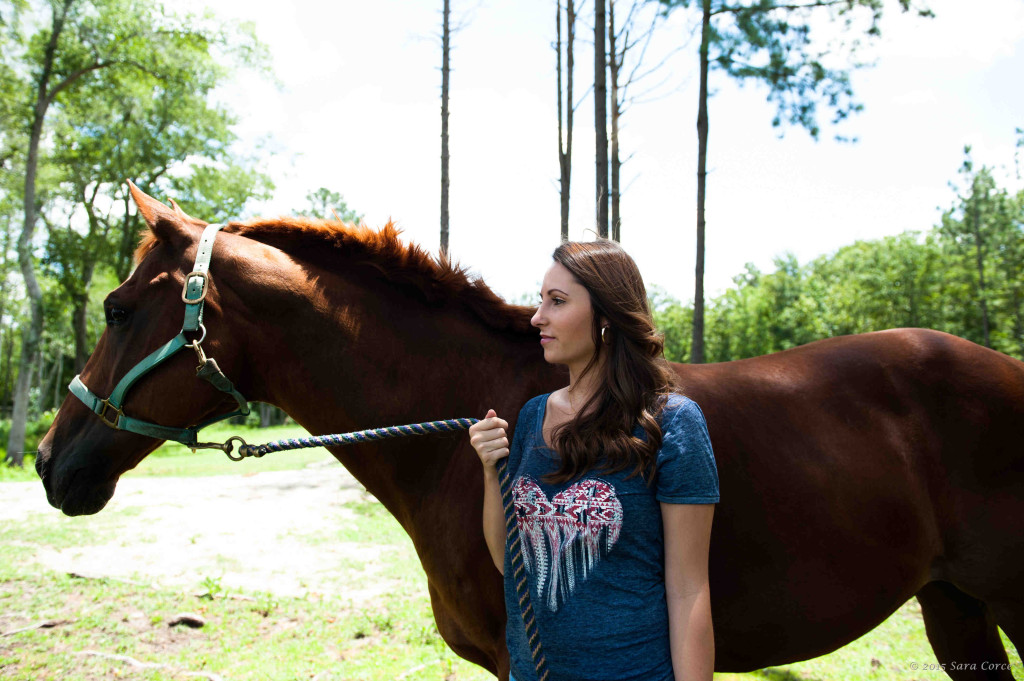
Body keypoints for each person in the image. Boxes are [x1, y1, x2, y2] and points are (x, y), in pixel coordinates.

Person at [469, 239, 719, 681]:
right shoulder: (532, 416)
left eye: (557, 302)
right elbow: (510, 564)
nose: (536, 317)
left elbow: (688, 589)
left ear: (606, 318)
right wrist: (493, 473)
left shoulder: (672, 423)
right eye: (541, 299)